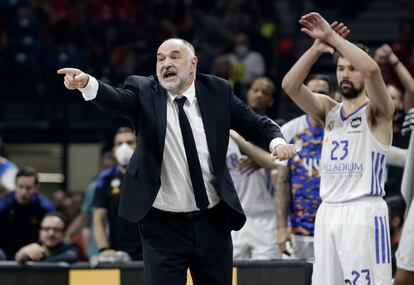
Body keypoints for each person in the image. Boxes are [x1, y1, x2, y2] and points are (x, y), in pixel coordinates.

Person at [57, 38, 296, 285]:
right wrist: (87, 83)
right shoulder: (143, 90)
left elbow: (255, 124)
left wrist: (277, 143)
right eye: (160, 58)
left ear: (193, 64)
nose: (166, 63)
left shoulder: (217, 91)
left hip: (211, 220)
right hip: (162, 226)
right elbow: (116, 99)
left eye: (174, 57)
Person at [282, 13, 394, 284]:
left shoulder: (378, 111)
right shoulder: (327, 110)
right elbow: (290, 86)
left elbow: (372, 71)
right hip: (328, 212)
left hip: (363, 212)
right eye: (341, 68)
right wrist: (317, 48)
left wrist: (333, 38)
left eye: (352, 68)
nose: (346, 73)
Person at [276, 73, 336, 260]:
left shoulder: (340, 130)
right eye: (311, 93)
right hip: (299, 230)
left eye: (322, 93)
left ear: (333, 97)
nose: (315, 98)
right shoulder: (289, 130)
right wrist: (280, 228)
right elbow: (282, 182)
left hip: (333, 228)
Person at [227, 77, 280, 260]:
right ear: (248, 93)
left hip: (265, 216)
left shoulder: (272, 131)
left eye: (265, 93)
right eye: (255, 90)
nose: (259, 95)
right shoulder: (226, 127)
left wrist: (244, 145)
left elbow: (277, 163)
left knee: (265, 276)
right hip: (233, 216)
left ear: (271, 101)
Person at [93, 127, 142, 260]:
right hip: (119, 253)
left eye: (129, 142)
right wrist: (104, 248)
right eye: (120, 144)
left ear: (139, 145)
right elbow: (98, 219)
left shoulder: (152, 174)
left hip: (152, 250)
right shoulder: (105, 179)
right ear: (114, 150)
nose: (124, 147)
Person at [65, 151, 117, 259]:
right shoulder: (94, 187)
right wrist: (67, 235)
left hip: (121, 245)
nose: (108, 170)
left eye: (112, 167)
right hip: (97, 248)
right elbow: (84, 216)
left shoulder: (125, 185)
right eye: (105, 167)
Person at [0, 167, 55, 259]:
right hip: (5, 252)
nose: (23, 192)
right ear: (15, 186)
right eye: (20, 187)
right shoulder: (4, 204)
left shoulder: (45, 208)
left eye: (28, 188)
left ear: (36, 188)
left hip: (33, 253)